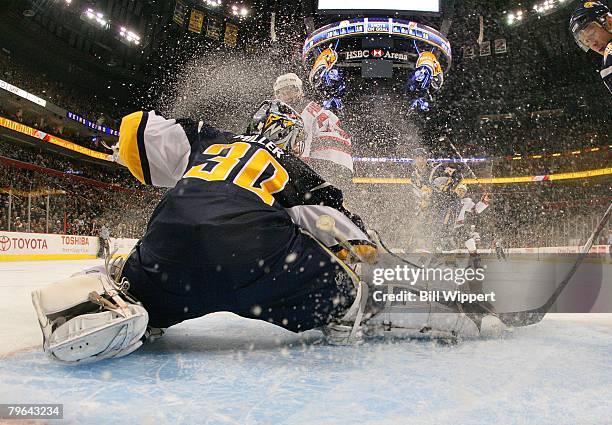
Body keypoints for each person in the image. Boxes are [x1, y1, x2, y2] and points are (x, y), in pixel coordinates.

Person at [31, 100, 378, 364]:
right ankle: (342, 311)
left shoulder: (207, 138)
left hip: (171, 256)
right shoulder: (294, 167)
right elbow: (335, 224)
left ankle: (133, 301)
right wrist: (364, 251)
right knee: (342, 287)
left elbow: (139, 131)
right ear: (292, 138)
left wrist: (121, 152)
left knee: (137, 275)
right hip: (256, 268)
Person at [272, 73, 353, 187]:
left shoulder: (300, 112)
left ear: (299, 92)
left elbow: (302, 148)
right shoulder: (315, 108)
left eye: (288, 91)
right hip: (345, 164)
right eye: (281, 93)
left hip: (325, 162)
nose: (285, 96)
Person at [569, 1, 612, 93]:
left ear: (609, 22)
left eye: (592, 35)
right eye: (586, 42)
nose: (593, 44)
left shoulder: (609, 57)